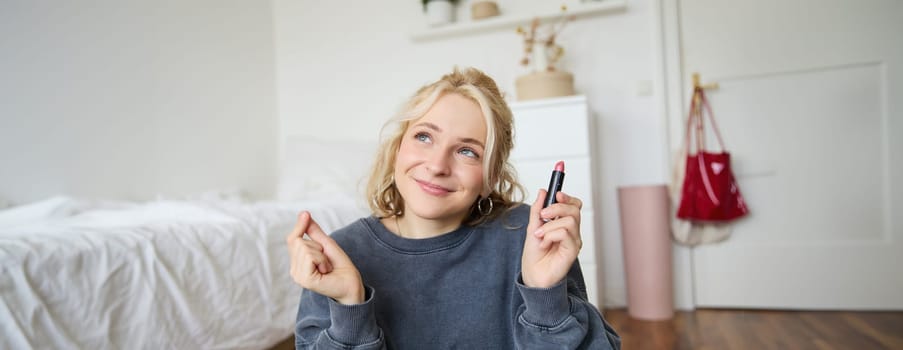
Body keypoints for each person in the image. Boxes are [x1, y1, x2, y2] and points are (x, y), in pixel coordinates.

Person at [286, 67, 621, 349]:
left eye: (467, 151)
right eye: (424, 137)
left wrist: (545, 297)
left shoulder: (531, 238)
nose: (437, 165)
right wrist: (349, 306)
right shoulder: (340, 255)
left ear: (490, 177)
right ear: (396, 149)